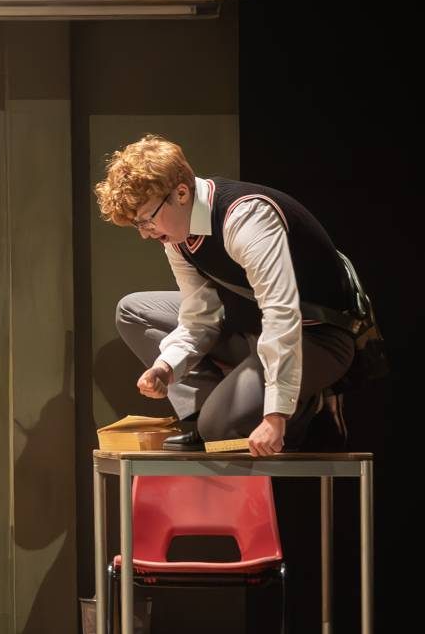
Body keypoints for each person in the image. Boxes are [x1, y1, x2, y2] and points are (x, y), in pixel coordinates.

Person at [97, 134, 361, 455]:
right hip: (252, 328)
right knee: (134, 310)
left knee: (219, 429)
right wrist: (166, 367)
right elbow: (199, 317)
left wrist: (276, 414)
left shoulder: (246, 217)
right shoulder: (178, 237)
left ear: (181, 193)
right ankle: (211, 419)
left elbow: (281, 312)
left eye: (147, 220)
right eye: (137, 225)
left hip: (316, 337)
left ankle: (300, 408)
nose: (144, 234)